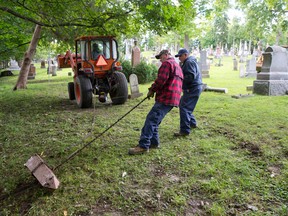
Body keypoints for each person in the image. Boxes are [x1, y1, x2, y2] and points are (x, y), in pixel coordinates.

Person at [128, 50, 183, 155]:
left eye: (161, 57)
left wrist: (152, 90)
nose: (160, 60)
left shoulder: (167, 63)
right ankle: (154, 142)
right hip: (173, 98)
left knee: (151, 120)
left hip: (166, 97)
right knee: (155, 120)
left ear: (166, 55)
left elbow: (161, 80)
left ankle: (143, 146)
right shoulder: (177, 65)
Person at [174, 48, 202, 136]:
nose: (179, 58)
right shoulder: (189, 62)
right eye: (178, 57)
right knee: (184, 105)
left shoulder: (189, 62)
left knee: (184, 107)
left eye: (180, 56)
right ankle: (192, 123)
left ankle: (185, 130)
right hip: (194, 87)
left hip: (192, 88)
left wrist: (180, 80)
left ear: (186, 55)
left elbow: (190, 76)